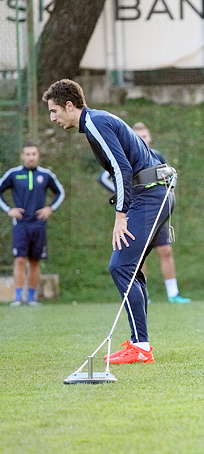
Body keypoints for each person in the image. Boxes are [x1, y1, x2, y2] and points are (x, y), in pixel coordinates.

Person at [45, 79, 175, 364]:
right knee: (130, 268)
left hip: (151, 197)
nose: (52, 118)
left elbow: (121, 168)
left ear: (70, 106)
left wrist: (121, 215)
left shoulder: (95, 123)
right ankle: (139, 344)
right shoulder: (97, 120)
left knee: (120, 266)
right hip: (155, 194)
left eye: (54, 111)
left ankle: (140, 346)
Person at [99, 122, 191, 303]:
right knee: (139, 253)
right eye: (138, 136)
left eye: (145, 136)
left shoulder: (156, 155)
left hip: (155, 210)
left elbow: (170, 175)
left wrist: (168, 190)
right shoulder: (127, 156)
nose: (142, 139)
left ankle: (173, 294)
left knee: (165, 250)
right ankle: (142, 294)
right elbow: (104, 177)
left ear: (150, 137)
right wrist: (123, 192)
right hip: (137, 209)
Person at [0, 142, 65, 306]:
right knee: (20, 260)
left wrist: (50, 208)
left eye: (33, 154)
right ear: (22, 156)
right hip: (20, 225)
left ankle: (31, 297)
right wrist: (8, 209)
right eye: (27, 154)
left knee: (35, 261)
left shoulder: (46, 174)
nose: (30, 157)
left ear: (38, 156)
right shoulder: (13, 174)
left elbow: (60, 192)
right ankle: (17, 297)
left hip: (38, 225)